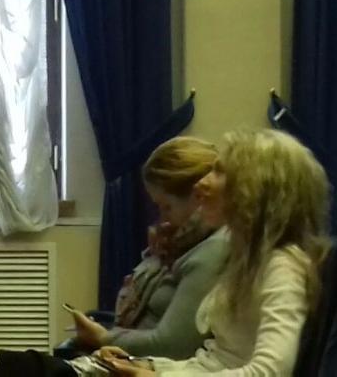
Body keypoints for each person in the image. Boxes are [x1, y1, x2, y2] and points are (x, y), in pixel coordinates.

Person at [103, 129, 331, 376]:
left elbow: (271, 371)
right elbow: (216, 362)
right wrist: (145, 364)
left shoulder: (282, 266)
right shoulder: (247, 258)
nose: (201, 183)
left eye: (219, 171)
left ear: (253, 188)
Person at [67, 137, 229, 360]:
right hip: (133, 357)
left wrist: (103, 337)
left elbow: (172, 345)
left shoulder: (214, 251)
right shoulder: (181, 243)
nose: (163, 218)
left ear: (198, 197)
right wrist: (157, 256)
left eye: (166, 207)